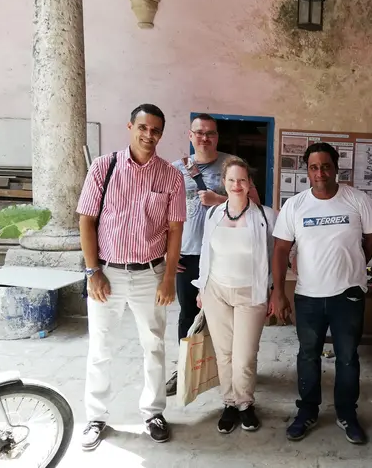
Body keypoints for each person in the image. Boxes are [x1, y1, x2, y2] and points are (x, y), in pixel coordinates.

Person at [77, 103, 186, 450]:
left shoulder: (171, 176)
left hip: (149, 275)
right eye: (143, 127)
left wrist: (168, 277)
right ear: (130, 127)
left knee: (153, 347)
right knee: (100, 348)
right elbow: (86, 221)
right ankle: (96, 416)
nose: (148, 135)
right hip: (107, 273)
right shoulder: (103, 167)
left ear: (161, 134)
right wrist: (93, 271)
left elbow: (174, 230)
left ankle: (153, 412)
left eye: (155, 130)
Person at [270, 142, 372, 445]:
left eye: (326, 166)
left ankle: (347, 413)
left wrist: (355, 264)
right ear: (307, 171)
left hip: (348, 295)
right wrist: (278, 292)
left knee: (347, 357)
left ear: (337, 167)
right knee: (308, 355)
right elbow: (281, 249)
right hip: (308, 296)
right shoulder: (295, 206)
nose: (320, 173)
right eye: (314, 167)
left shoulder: (357, 201)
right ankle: (307, 411)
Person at [190, 157, 276, 433]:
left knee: (245, 355)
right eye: (231, 180)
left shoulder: (266, 216)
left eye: (242, 180)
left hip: (251, 293)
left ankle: (246, 403)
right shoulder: (215, 214)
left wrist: (274, 291)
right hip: (216, 291)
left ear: (250, 183)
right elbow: (206, 251)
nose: (237, 185)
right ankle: (230, 402)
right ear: (224, 184)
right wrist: (202, 287)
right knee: (224, 353)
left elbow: (276, 257)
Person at [165, 113, 231, 396]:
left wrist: (220, 200)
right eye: (200, 133)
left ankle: (225, 369)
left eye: (211, 133)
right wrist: (166, 252)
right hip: (187, 255)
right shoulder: (174, 169)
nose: (205, 138)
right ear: (190, 135)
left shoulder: (231, 164)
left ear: (217, 136)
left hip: (223, 255)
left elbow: (252, 203)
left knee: (223, 315)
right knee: (187, 313)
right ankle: (184, 368)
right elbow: (159, 212)